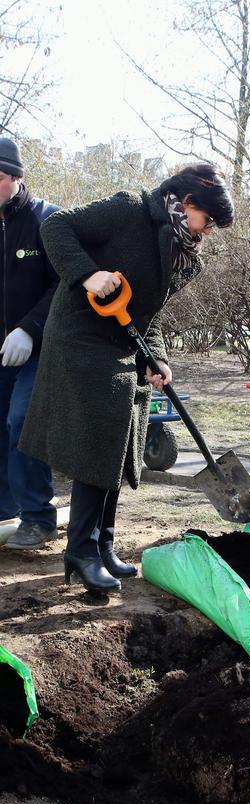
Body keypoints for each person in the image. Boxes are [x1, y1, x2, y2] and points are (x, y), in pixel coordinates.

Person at [19, 163, 234, 595]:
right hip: (79, 335)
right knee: (101, 437)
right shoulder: (129, 208)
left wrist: (158, 358)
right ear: (188, 202)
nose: (207, 231)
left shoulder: (183, 255)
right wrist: (86, 273)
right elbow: (57, 227)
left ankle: (103, 542)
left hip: (123, 341)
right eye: (207, 220)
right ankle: (80, 551)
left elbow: (146, 313)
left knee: (124, 438)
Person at [0, 136, 60, 550]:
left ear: (15, 178)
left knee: (22, 422)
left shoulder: (48, 221)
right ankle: (5, 511)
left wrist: (30, 328)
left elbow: (64, 284)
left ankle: (38, 517)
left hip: (39, 349)